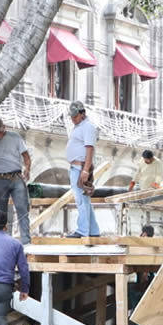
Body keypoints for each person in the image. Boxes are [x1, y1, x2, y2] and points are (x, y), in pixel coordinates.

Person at [66, 101, 100, 238]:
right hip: (76, 166)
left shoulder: (87, 127)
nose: (73, 119)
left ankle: (82, 230)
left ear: (82, 114)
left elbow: (89, 149)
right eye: (72, 116)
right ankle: (93, 230)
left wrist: (85, 170)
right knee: (83, 199)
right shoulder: (79, 126)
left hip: (81, 167)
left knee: (81, 200)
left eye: (75, 116)